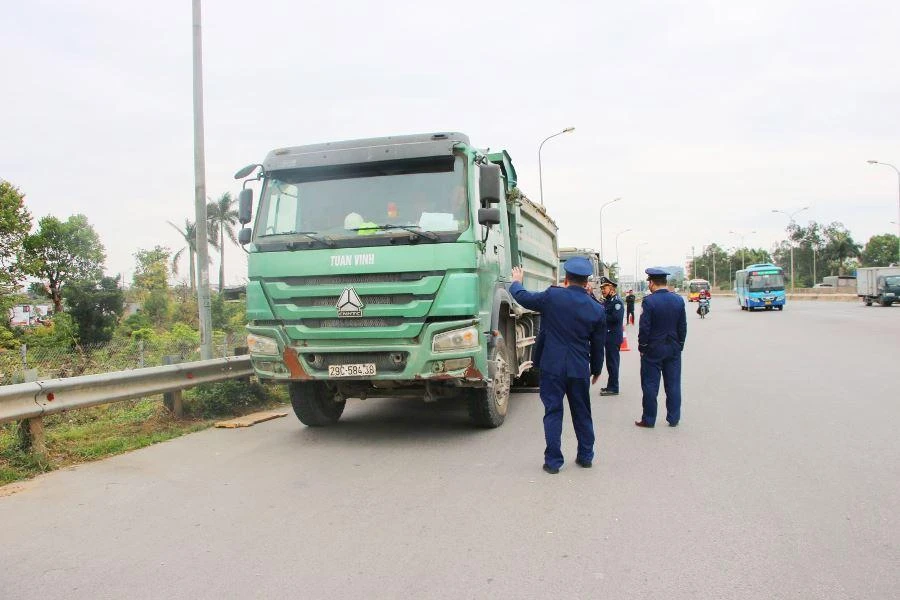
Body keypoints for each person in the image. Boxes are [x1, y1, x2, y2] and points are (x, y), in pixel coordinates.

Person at [510, 257, 607, 474]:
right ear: (586, 281)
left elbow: (524, 298)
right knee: (582, 412)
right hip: (579, 368)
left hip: (552, 366)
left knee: (553, 412)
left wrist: (516, 281)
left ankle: (553, 462)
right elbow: (599, 344)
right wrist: (597, 369)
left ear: (566, 278)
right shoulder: (596, 308)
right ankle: (585, 456)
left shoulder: (553, 296)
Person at [636, 268, 687, 428]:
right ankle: (674, 418)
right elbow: (682, 326)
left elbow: (645, 328)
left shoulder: (649, 301)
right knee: (673, 384)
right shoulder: (678, 300)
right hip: (673, 348)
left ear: (651, 283)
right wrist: (680, 345)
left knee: (650, 385)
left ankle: (649, 419)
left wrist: (642, 347)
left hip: (653, 349)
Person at [598, 276, 624, 397]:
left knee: (613, 363)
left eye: (605, 288)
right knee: (610, 363)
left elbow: (616, 318)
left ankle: (614, 387)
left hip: (613, 337)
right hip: (608, 336)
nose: (603, 290)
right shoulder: (608, 301)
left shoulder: (617, 302)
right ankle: (610, 385)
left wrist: (601, 317)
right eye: (602, 288)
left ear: (612, 288)